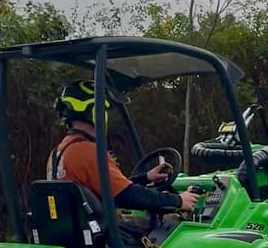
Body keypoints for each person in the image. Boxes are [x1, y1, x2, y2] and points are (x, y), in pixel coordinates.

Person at [47, 79, 199, 215]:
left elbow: (109, 188)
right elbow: (126, 196)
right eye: (104, 110)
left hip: (80, 233)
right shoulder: (89, 151)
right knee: (170, 226)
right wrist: (178, 200)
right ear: (95, 111)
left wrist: (145, 178)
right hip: (104, 236)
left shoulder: (59, 151)